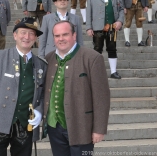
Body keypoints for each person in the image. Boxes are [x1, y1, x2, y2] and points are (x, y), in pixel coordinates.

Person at [0, 17, 47, 156]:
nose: (27, 37)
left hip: (25, 125)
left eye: (32, 34)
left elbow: (44, 93)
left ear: (35, 38)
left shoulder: (41, 65)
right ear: (15, 35)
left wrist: (39, 110)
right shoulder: (0, 57)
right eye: (23, 32)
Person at [42, 21, 110, 156]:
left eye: (65, 34)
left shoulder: (92, 58)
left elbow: (101, 97)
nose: (61, 39)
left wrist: (99, 129)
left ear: (74, 35)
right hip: (54, 128)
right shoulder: (49, 58)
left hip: (82, 127)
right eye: (57, 36)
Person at [86, 0, 124, 79]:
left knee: (112, 48)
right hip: (97, 27)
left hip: (112, 26)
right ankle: (95, 72)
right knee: (97, 49)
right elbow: (88, 11)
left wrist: (120, 21)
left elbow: (121, 9)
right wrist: (89, 27)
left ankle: (113, 71)